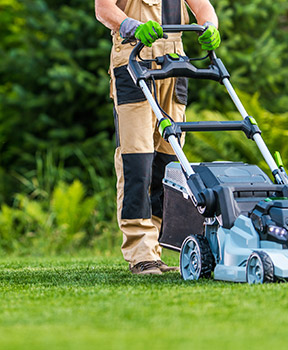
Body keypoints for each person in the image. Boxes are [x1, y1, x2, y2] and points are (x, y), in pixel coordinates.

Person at [94, 0, 221, 275]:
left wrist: (210, 26)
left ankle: (158, 248)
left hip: (174, 64)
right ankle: (141, 252)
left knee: (169, 162)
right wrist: (132, 26)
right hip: (133, 59)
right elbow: (103, 9)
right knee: (137, 160)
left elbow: (203, 7)